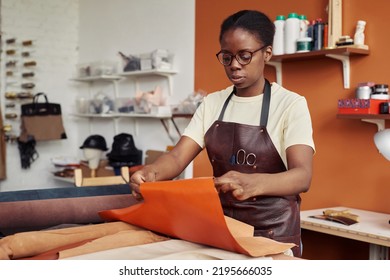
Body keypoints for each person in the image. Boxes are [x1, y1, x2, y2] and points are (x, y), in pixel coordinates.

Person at [130, 10, 315, 257]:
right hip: (221, 230)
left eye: (245, 56)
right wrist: (150, 172)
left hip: (273, 235)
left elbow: (302, 176)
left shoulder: (290, 104)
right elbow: (176, 158)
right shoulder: (212, 104)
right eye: (227, 57)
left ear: (267, 53)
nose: (234, 65)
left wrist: (254, 183)